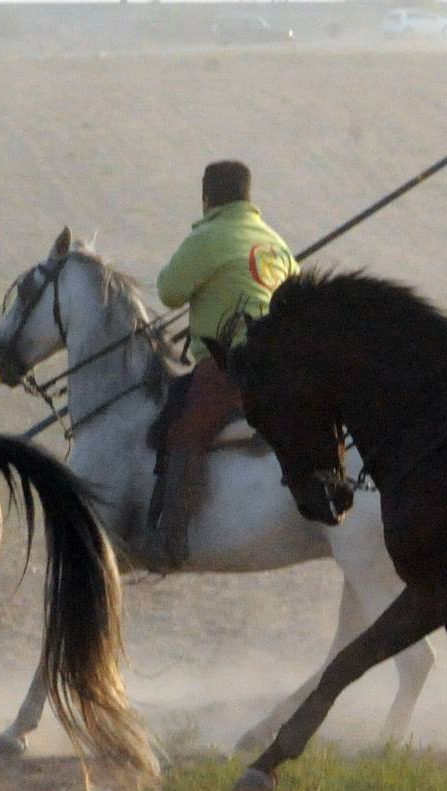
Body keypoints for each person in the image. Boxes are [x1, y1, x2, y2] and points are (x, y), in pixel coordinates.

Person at [153, 160, 298, 571]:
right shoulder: (276, 244)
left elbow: (169, 291)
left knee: (186, 431)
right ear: (248, 196)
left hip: (232, 365)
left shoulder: (210, 236)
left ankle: (171, 539)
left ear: (207, 198)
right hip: (284, 369)